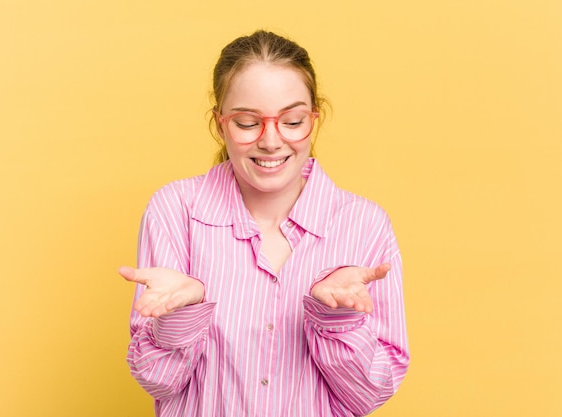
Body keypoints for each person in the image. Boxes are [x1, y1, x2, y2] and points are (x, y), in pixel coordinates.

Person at [119, 30, 409, 417]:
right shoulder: (175, 210)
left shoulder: (365, 224)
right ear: (220, 123)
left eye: (291, 120)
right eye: (246, 122)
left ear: (314, 118)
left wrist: (336, 320)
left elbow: (371, 395)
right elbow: (157, 381)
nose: (271, 141)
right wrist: (181, 315)